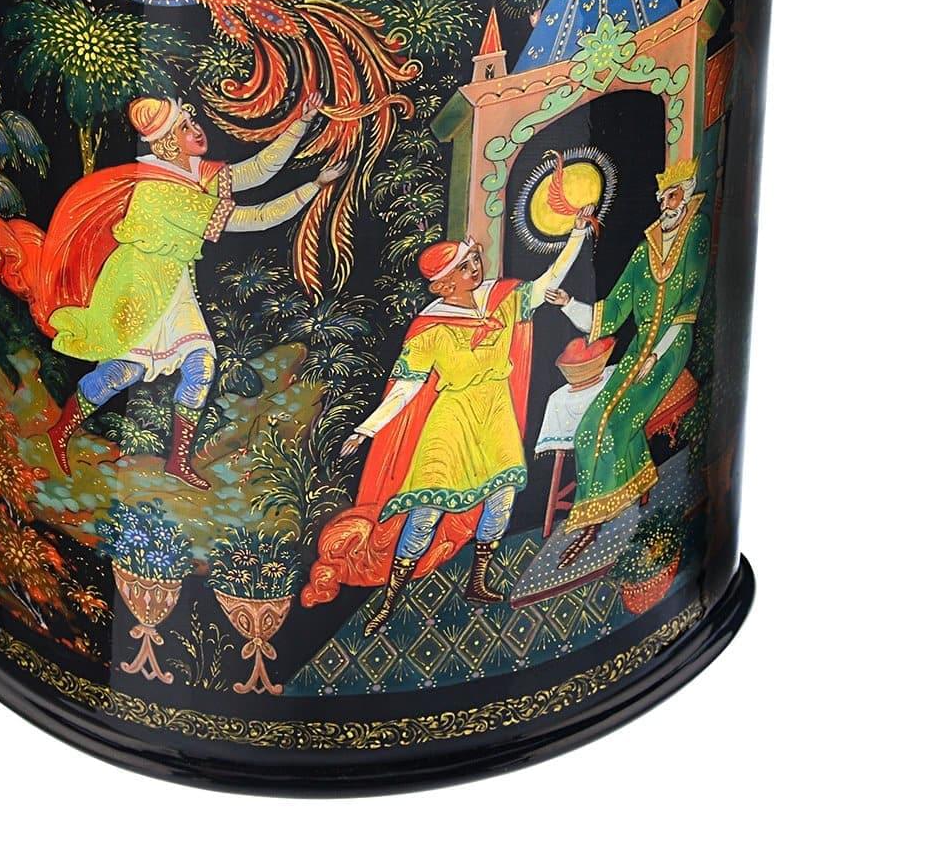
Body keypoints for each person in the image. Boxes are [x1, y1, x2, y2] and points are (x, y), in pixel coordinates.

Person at [0, 93, 344, 489]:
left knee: (201, 365)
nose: (196, 130)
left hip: (173, 287)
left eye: (191, 121)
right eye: (184, 127)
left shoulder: (191, 172)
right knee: (122, 373)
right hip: (138, 289)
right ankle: (60, 432)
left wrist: (302, 122)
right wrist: (313, 187)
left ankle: (177, 461)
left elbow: (256, 171)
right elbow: (255, 217)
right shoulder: (162, 191)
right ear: (167, 144)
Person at [302, 220, 592, 631]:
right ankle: (389, 601)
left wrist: (577, 234)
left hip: (495, 417)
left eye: (474, 260)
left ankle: (478, 581)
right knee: (426, 511)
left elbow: (550, 279)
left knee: (501, 499)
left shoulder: (501, 299)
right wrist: (367, 429)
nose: (475, 268)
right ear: (443, 285)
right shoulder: (430, 328)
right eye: (464, 266)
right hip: (451, 423)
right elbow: (406, 389)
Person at [546, 157, 711, 568]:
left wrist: (655, 356)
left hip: (672, 345)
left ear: (686, 196)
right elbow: (612, 312)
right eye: (662, 198)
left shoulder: (697, 233)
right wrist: (568, 303)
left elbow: (687, 308)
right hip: (640, 348)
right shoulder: (644, 252)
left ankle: (616, 520)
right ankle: (596, 516)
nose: (665, 204)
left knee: (618, 424)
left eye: (672, 196)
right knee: (590, 426)